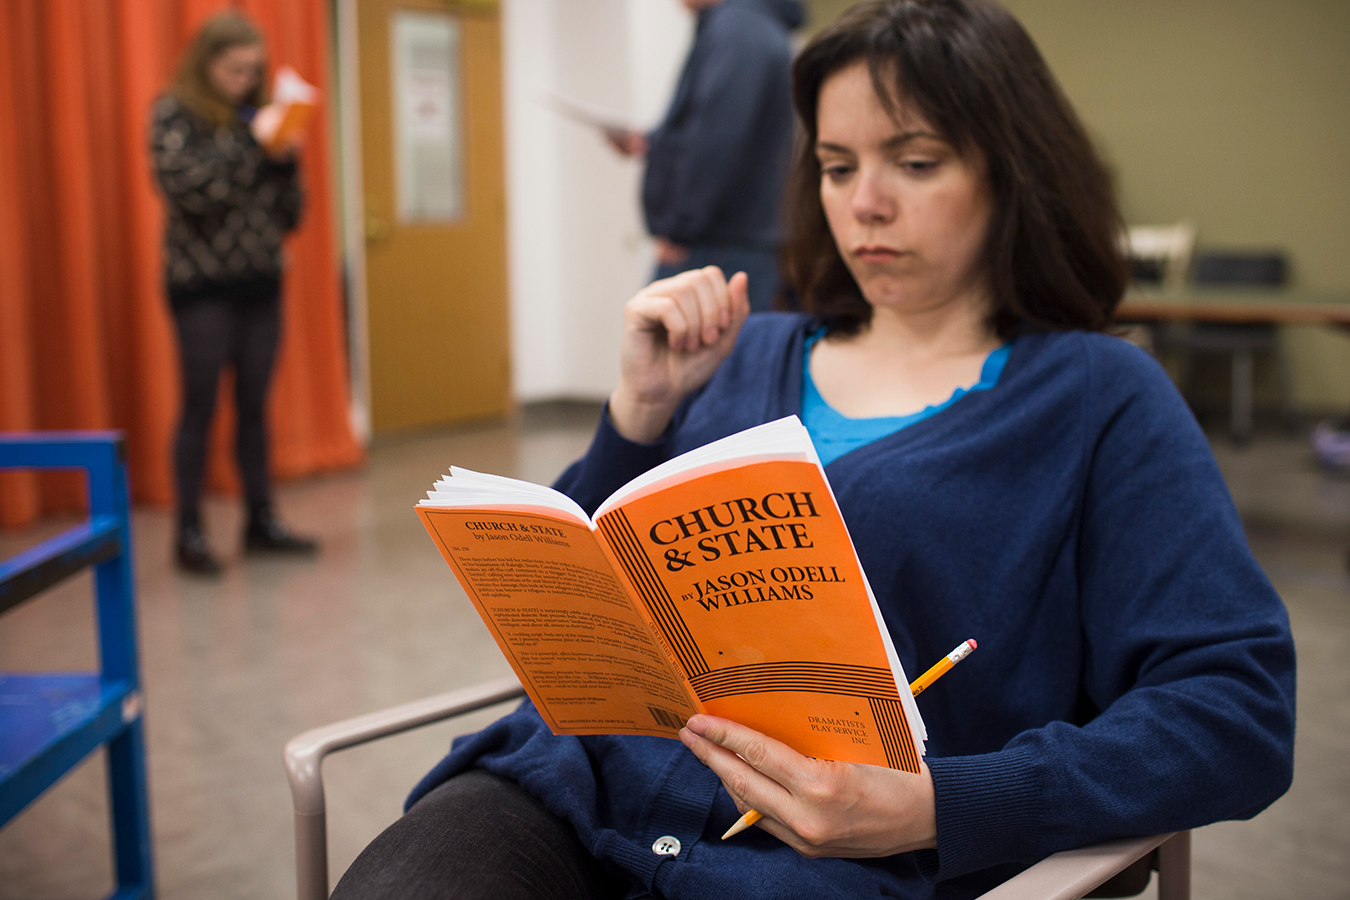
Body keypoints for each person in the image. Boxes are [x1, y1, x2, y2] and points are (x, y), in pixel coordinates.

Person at [334, 2, 1296, 897]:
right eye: (838, 167)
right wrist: (634, 416)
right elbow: (575, 614)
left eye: (915, 163)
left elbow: (1234, 709)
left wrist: (944, 804)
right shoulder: (745, 351)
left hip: (825, 867)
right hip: (568, 791)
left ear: (1013, 172)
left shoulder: (1098, 397)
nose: (866, 204)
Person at [150, 11, 318, 576]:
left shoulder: (259, 118)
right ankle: (189, 531)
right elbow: (193, 191)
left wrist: (286, 164)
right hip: (201, 288)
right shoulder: (175, 114)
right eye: (234, 69)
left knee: (254, 407)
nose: (245, 80)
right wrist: (254, 145)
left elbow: (292, 215)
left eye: (253, 70)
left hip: (260, 284)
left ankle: (260, 520)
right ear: (206, 64)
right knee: (199, 406)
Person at [607, 0, 805, 313]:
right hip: (733, 241)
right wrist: (655, 143)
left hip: (718, 247)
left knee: (682, 356)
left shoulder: (739, 30)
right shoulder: (749, 26)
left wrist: (679, 231)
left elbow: (718, 143)